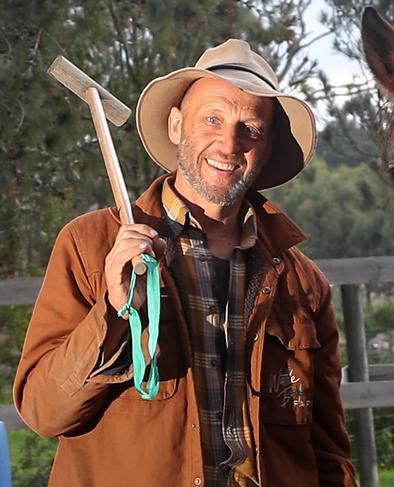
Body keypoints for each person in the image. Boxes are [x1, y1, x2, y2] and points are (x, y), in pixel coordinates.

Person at [14, 39, 356, 487]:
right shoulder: (91, 245)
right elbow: (44, 413)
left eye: (249, 128)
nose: (229, 143)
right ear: (177, 125)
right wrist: (116, 312)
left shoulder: (303, 283)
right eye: (212, 118)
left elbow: (328, 450)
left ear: (268, 145)